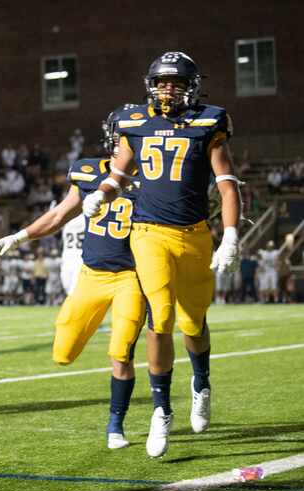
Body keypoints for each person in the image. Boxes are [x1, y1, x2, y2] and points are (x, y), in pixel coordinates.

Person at [81, 52, 241, 457]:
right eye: (162, 82)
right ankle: (161, 411)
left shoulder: (209, 121)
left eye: (176, 82)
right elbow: (118, 174)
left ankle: (201, 381)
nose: (168, 90)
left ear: (193, 86)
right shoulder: (134, 122)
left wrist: (232, 235)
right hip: (149, 233)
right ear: (149, 84)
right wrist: (99, 195)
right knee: (161, 318)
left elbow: (226, 184)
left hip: (195, 235)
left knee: (193, 324)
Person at [0, 108, 145, 449]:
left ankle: (115, 425)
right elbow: (59, 215)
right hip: (92, 275)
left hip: (132, 278)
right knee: (63, 352)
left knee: (120, 353)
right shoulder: (88, 172)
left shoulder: (154, 177)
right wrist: (19, 237)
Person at [60, 214, 85, 296]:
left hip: (81, 256)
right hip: (67, 257)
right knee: (66, 285)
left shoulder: (86, 217)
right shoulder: (67, 217)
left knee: (74, 289)